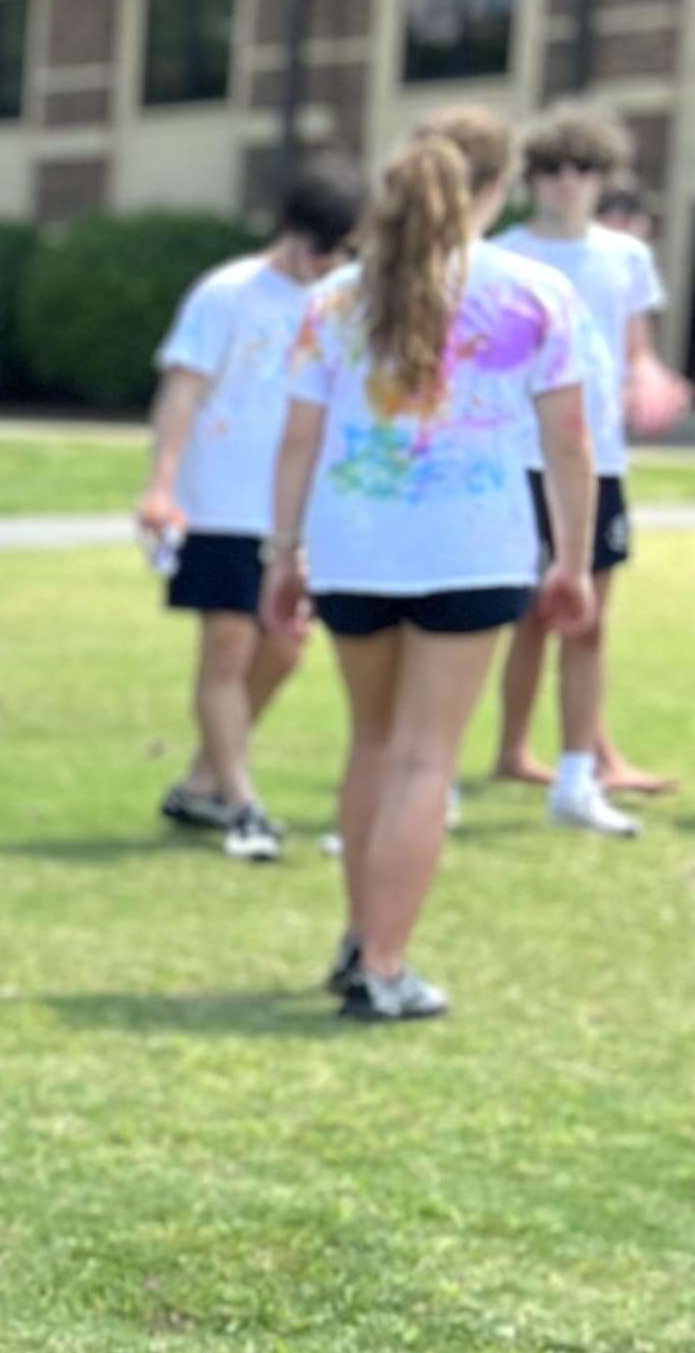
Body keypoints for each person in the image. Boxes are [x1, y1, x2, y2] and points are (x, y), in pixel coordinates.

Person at [264, 108, 594, 1022]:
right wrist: (575, 560)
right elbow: (571, 442)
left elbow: (297, 442)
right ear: (498, 188)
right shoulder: (534, 292)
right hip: (473, 552)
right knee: (424, 761)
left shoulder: (331, 300)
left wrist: (281, 551)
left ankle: (361, 938)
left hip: (353, 550)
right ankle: (384, 962)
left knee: (374, 746)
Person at [137, 167, 360, 863]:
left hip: (299, 511)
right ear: (290, 234)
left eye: (341, 252)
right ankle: (243, 802)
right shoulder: (226, 293)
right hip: (219, 505)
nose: (325, 265)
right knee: (229, 645)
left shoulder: (346, 303)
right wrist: (161, 485)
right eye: (318, 248)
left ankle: (203, 780)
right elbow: (182, 392)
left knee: (285, 647)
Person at [485, 108, 668, 827]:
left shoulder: (626, 258)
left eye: (584, 169)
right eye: (554, 170)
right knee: (527, 616)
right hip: (521, 460)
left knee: (586, 617)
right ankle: (512, 750)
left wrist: (649, 376)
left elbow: (636, 345)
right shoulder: (505, 253)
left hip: (599, 459)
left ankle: (581, 769)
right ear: (531, 180)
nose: (569, 183)